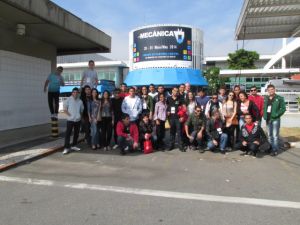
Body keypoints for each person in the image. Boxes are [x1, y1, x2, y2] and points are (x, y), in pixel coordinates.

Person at [263, 84, 286, 156]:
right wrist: (264, 115)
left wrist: (276, 114)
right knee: (269, 135)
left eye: (272, 89)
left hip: (275, 119)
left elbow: (283, 108)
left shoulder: (279, 98)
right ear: (267, 91)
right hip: (268, 119)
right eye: (269, 90)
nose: (270, 91)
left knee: (275, 135)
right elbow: (264, 108)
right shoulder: (266, 98)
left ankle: (275, 150)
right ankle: (270, 148)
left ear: (274, 90)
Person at [62, 87, 84, 155]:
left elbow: (81, 110)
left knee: (76, 134)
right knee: (68, 134)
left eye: (76, 92)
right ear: (72, 93)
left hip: (78, 120)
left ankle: (74, 145)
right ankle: (66, 148)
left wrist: (79, 116)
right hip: (70, 120)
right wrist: (70, 115)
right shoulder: (68, 100)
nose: (75, 94)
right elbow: (65, 109)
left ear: (78, 93)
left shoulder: (80, 101)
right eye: (74, 92)